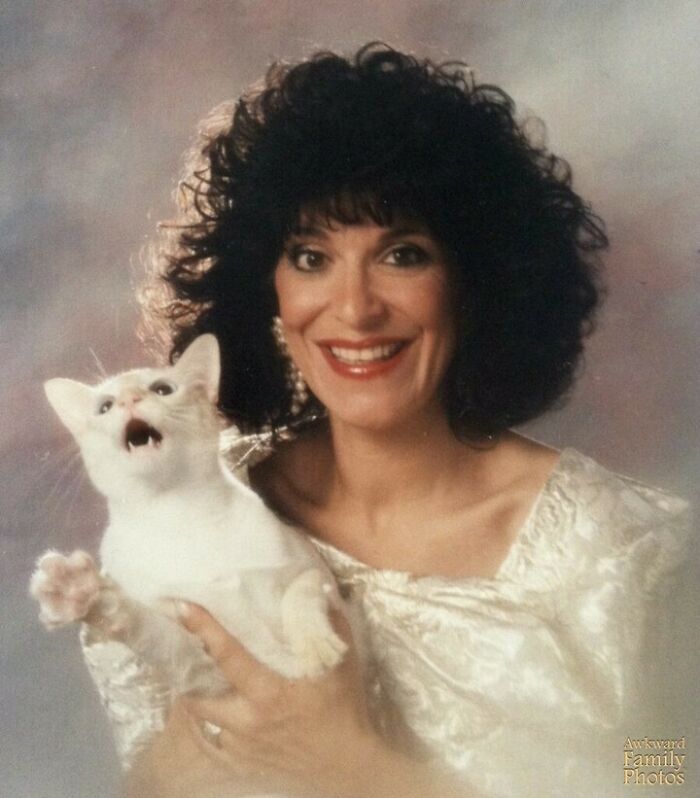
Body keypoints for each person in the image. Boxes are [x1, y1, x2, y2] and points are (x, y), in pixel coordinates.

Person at [80, 43, 690, 797]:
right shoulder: (192, 510)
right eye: (310, 257)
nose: (356, 309)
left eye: (402, 254)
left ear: (473, 282)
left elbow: (671, 773)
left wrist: (360, 770)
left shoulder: (630, 558)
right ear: (264, 291)